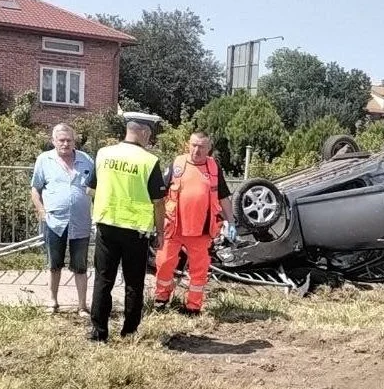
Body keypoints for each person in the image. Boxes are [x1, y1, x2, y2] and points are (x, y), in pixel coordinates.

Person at [87, 112, 166, 342]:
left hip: (107, 226)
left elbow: (90, 190)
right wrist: (160, 232)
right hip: (136, 230)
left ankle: (98, 333)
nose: (149, 138)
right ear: (143, 132)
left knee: (103, 280)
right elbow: (158, 202)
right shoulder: (149, 161)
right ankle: (129, 331)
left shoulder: (103, 154)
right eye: (149, 134)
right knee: (134, 283)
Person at [153, 132, 237, 315]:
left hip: (201, 230)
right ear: (188, 145)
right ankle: (161, 299)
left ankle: (193, 307)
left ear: (208, 149)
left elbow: (223, 197)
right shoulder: (177, 164)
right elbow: (159, 195)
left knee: (199, 270)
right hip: (174, 227)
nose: (196, 150)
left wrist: (231, 221)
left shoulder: (214, 168)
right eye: (194, 145)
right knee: (164, 263)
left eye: (201, 147)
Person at [30, 123, 94, 317]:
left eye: (69, 140)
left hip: (81, 222)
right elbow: (35, 189)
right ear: (54, 142)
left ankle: (82, 306)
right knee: (53, 263)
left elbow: (96, 187)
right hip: (54, 222)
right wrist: (41, 210)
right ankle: (52, 301)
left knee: (80, 266)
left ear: (75, 141)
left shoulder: (86, 160)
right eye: (61, 140)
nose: (65, 144)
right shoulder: (44, 160)